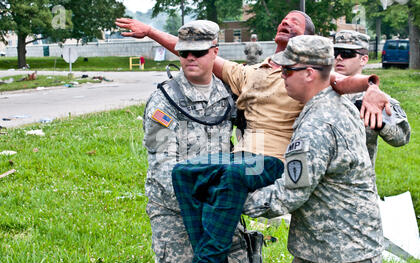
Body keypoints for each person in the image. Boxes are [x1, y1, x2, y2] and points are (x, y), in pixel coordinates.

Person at [116, 11, 391, 162]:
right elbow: (198, 52)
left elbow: (344, 83)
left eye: (294, 23)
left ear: (307, 39)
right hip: (243, 154)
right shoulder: (249, 73)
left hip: (273, 159)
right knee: (200, 181)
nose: (285, 22)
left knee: (220, 192)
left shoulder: (308, 73)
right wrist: (151, 31)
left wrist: (372, 86)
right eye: (283, 20)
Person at [243, 35, 384, 263]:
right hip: (319, 246)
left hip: (341, 255)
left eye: (286, 70)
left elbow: (290, 194)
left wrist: (233, 198)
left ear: (309, 74)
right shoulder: (331, 102)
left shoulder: (318, 124)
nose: (280, 75)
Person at [142, 20, 254, 263]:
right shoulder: (165, 100)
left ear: (215, 52)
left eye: (199, 52)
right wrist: (212, 196)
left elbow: (251, 141)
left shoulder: (230, 94)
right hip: (177, 210)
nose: (190, 58)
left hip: (220, 208)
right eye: (184, 53)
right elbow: (163, 166)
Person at [333, 30, 410, 169]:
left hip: (359, 183)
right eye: (335, 52)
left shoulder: (377, 98)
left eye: (346, 54)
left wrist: (379, 122)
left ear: (364, 59)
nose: (338, 57)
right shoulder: (319, 91)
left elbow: (402, 138)